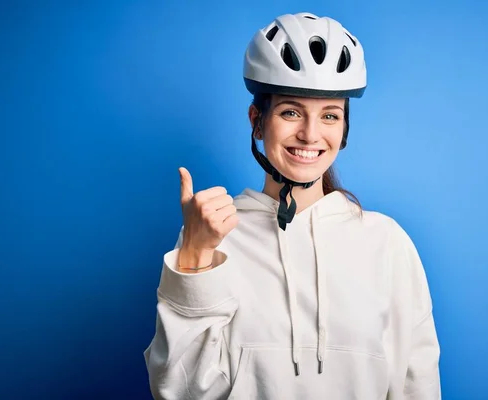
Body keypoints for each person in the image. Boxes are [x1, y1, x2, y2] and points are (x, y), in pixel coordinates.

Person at [144, 12, 441, 399]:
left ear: (344, 128)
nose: (310, 134)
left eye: (330, 116)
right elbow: (176, 391)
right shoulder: (210, 238)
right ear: (257, 120)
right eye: (290, 112)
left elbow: (416, 385)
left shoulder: (387, 243)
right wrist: (196, 255)